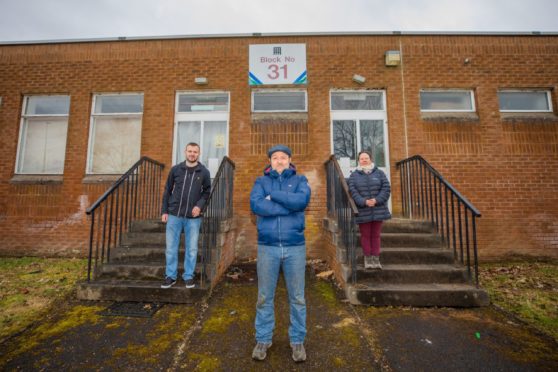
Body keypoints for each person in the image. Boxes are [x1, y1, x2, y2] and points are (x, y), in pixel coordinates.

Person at [250, 144, 311, 363]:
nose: (279, 160)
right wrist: (288, 203)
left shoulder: (300, 180)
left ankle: (297, 341)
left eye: (283, 157)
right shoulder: (260, 182)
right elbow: (257, 206)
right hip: (268, 246)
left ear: (290, 159)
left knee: (297, 298)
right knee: (264, 297)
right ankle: (263, 339)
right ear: (270, 161)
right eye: (275, 157)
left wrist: (273, 196)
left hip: (295, 246)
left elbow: (302, 201)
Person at [160, 142, 211, 289]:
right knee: (171, 248)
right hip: (174, 214)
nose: (192, 154)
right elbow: (167, 190)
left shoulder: (204, 172)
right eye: (190, 151)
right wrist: (164, 211)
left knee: (192, 248)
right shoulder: (176, 170)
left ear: (198, 154)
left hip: (193, 218)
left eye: (195, 152)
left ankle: (188, 276)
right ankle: (170, 276)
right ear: (185, 152)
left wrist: (199, 205)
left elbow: (207, 192)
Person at [348, 151, 391, 270]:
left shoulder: (380, 173)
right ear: (359, 161)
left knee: (376, 235)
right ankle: (367, 259)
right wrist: (364, 201)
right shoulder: (354, 176)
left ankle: (376, 259)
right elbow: (353, 192)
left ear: (371, 159)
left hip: (378, 209)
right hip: (363, 210)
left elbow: (386, 188)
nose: (364, 160)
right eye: (362, 158)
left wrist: (376, 200)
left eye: (366, 158)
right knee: (365, 236)